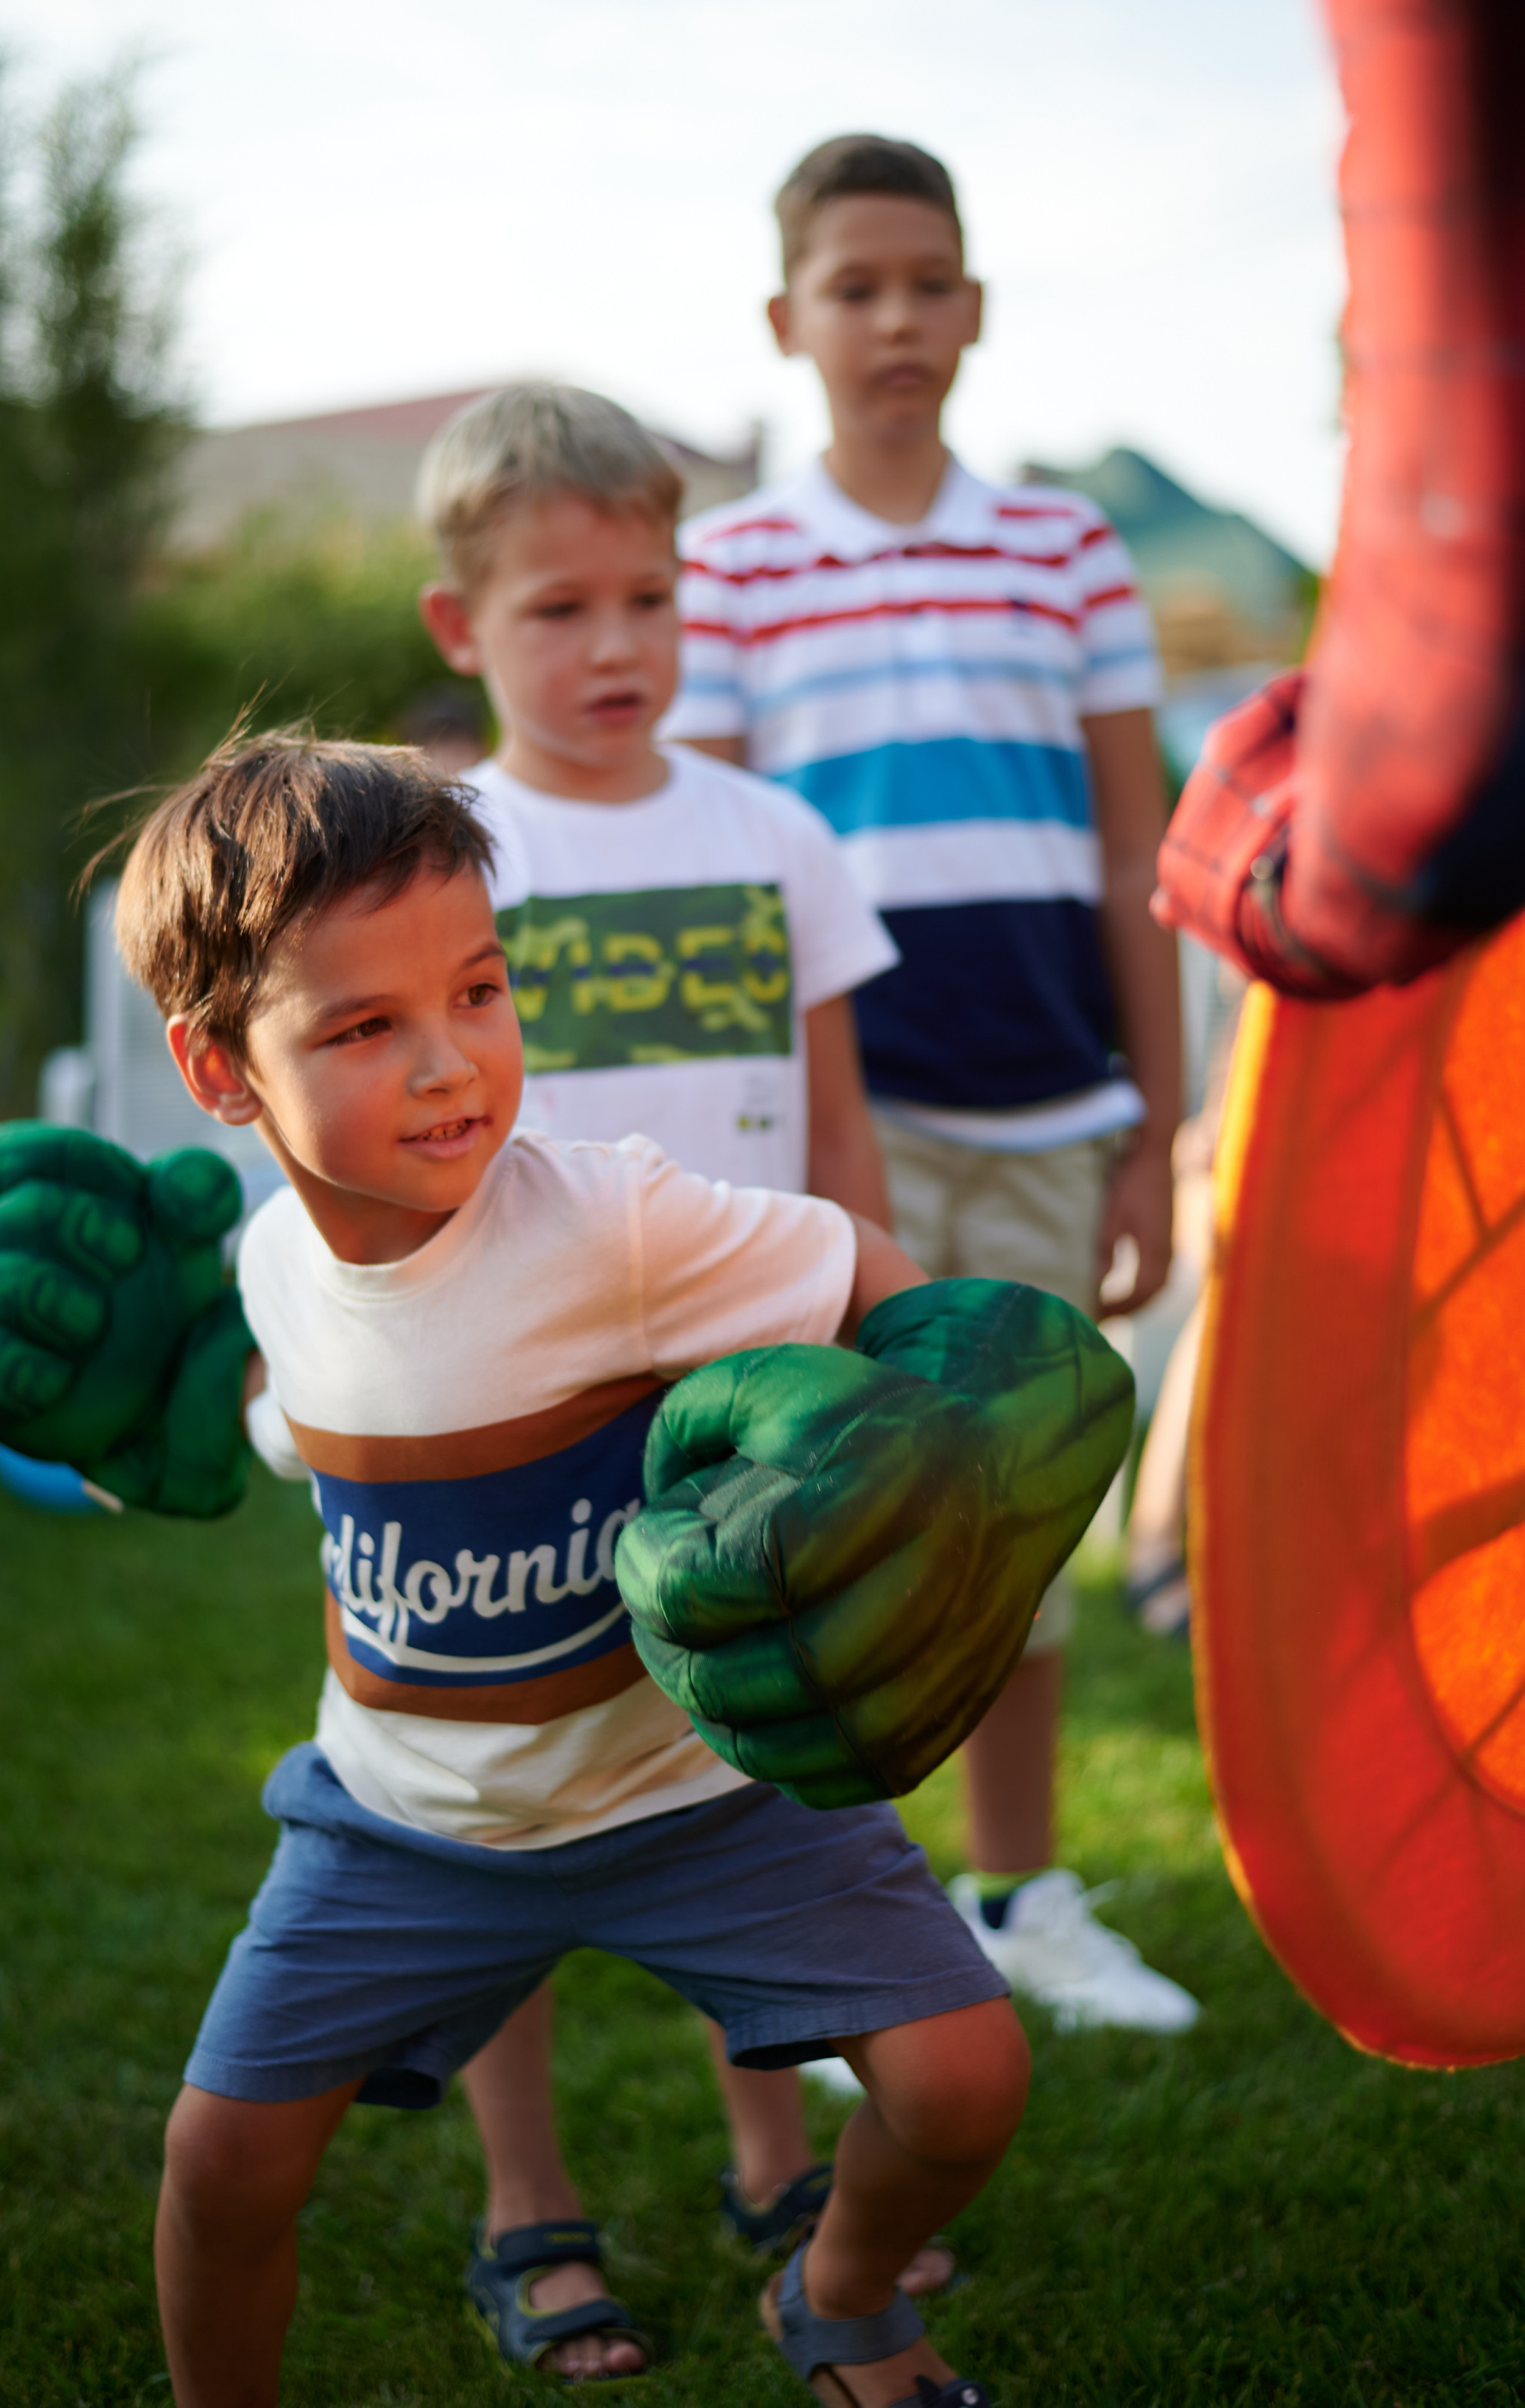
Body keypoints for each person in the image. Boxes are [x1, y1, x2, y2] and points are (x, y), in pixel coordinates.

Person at [99, 730, 1026, 2408]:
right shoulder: (272, 1266)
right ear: (221, 1071)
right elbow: (306, 1437)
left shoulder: (618, 1223)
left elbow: (868, 1268)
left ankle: (843, 2295)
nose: (453, 1061)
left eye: (481, 987)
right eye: (368, 1025)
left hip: (699, 1796)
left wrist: (939, 1430)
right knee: (220, 2164)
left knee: (966, 2080)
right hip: (402, 1824)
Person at [411, 381, 954, 2370]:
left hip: (747, 1416)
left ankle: (772, 2148)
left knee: (754, 1784)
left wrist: (878, 1352)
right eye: (561, 608)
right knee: (499, 1805)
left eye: (650, 594)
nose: (619, 644)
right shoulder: (438, 848)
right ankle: (524, 2195)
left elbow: (841, 1132)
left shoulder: (776, 834)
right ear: (461, 625)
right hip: (505, 1417)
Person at [664, 133, 1198, 2034]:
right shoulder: (719, 569)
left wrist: (1159, 1128)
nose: (898, 318)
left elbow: (1139, 847)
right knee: (835, 1537)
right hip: (835, 1143)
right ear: (788, 318)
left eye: (930, 282)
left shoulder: (1067, 546)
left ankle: (1025, 1890)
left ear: (974, 308)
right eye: (857, 285)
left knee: (1024, 1514)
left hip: (1057, 1115)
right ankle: (842, 1939)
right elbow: (720, 877)